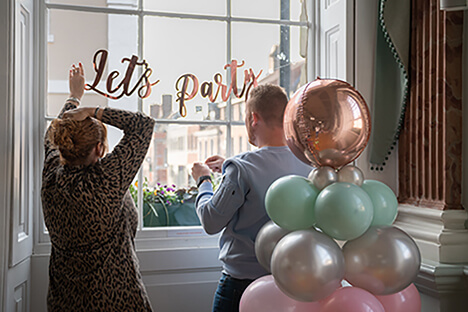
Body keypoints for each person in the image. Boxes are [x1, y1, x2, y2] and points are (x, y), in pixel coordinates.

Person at [41, 63, 155, 312]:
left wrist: (73, 99)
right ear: (100, 149)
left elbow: (51, 136)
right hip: (116, 299)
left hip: (64, 301)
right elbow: (143, 125)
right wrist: (91, 110)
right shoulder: (106, 181)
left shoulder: (51, 175)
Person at [191, 84, 312, 312]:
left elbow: (210, 221)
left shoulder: (242, 169)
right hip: (293, 286)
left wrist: (203, 180)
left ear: (254, 118)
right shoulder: (309, 163)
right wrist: (230, 170)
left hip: (242, 287)